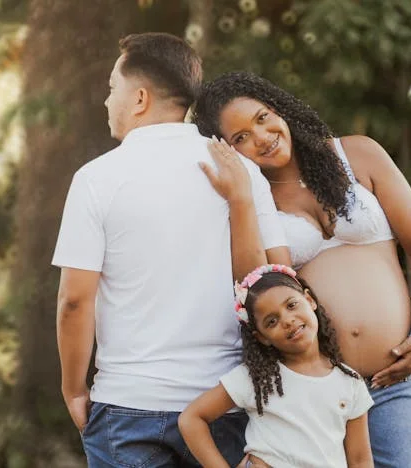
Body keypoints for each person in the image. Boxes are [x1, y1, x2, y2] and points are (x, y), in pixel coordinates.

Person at [193, 71, 411, 467]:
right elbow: (260, 286)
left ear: (280, 109)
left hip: (399, 375)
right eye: (240, 137)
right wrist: (242, 199)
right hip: (315, 392)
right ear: (227, 150)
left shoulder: (358, 154)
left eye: (262, 118)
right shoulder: (254, 202)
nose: (261, 137)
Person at [52, 36, 289, 468]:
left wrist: (73, 389)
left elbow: (74, 301)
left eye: (112, 89)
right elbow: (274, 281)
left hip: (127, 408)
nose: (107, 101)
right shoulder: (242, 172)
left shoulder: (96, 179)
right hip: (224, 406)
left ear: (139, 98)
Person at [178, 264, 374, 468]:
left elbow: (360, 459)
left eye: (291, 305)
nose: (288, 320)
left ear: (309, 300)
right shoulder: (258, 378)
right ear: (262, 337)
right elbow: (191, 418)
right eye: (272, 321)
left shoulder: (350, 382)